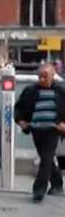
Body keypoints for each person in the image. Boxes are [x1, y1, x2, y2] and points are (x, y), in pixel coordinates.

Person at [13, 63, 65, 202]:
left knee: (47, 158)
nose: (42, 79)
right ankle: (57, 183)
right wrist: (20, 121)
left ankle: (38, 190)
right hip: (36, 128)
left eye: (45, 77)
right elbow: (19, 108)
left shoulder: (61, 91)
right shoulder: (30, 91)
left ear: (53, 76)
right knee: (46, 157)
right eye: (40, 76)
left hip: (53, 129)